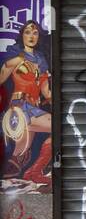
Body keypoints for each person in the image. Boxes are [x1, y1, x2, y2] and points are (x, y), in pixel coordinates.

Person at [1, 21, 53, 187]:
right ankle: (35, 171)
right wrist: (19, 59)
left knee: (20, 153)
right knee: (57, 126)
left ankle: (22, 173)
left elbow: (46, 93)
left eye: (35, 32)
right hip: (19, 107)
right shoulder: (16, 55)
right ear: (22, 35)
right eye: (28, 32)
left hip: (34, 109)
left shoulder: (41, 60)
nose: (31, 36)